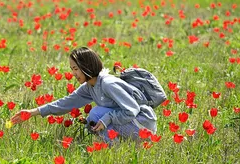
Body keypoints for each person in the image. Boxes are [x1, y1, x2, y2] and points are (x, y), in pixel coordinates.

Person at [10, 47, 157, 143]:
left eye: (76, 69)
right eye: (72, 69)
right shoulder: (90, 86)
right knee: (92, 121)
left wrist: (107, 118)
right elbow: (66, 103)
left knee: (96, 114)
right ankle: (115, 150)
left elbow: (132, 109)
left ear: (87, 67)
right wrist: (32, 112)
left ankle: (116, 149)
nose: (73, 73)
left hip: (143, 124)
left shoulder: (108, 83)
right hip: (131, 124)